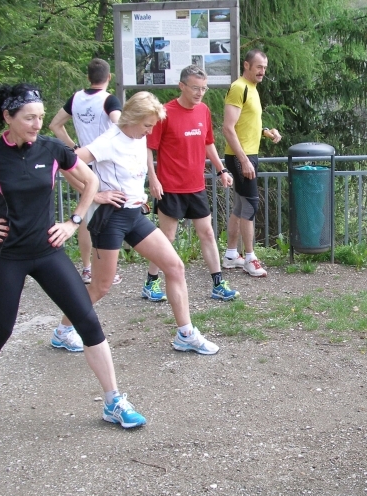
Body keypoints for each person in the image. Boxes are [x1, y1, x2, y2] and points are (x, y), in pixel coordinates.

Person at [0, 83, 146, 428]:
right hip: (8, 256)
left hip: (48, 252)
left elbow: (90, 181)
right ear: (8, 117)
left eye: (41, 117)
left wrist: (74, 221)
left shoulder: (50, 150)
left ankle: (113, 401)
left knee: (88, 321)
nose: (37, 124)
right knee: (0, 328)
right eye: (29, 118)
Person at [56, 91, 220, 356]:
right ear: (132, 118)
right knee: (101, 286)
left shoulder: (137, 136)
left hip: (133, 214)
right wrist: (95, 194)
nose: (150, 130)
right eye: (147, 125)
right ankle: (63, 330)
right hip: (108, 217)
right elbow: (67, 164)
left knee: (175, 266)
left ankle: (186, 334)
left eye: (153, 125)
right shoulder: (109, 140)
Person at [142, 65, 239, 303]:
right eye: (195, 88)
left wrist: (221, 169)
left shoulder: (203, 110)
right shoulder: (164, 113)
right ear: (182, 86)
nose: (199, 93)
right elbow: (148, 148)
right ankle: (150, 282)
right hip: (170, 187)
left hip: (196, 186)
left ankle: (218, 283)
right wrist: (153, 179)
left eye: (204, 88)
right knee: (167, 237)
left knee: (207, 232)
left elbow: (208, 143)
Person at [49, 58, 122, 285]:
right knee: (107, 215)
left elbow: (54, 125)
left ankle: (88, 268)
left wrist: (74, 148)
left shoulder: (77, 98)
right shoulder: (109, 100)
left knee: (86, 214)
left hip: (82, 163)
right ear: (109, 77)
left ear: (88, 77)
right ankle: (104, 269)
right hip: (104, 163)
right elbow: (120, 125)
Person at [222, 48, 282, 277]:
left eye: (265, 68)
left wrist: (267, 131)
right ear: (246, 65)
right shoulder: (239, 87)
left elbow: (245, 123)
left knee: (240, 206)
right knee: (250, 206)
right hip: (242, 157)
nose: (262, 72)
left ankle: (230, 255)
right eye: (258, 67)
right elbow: (228, 128)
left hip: (248, 154)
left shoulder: (252, 89)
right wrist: (244, 160)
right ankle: (249, 257)